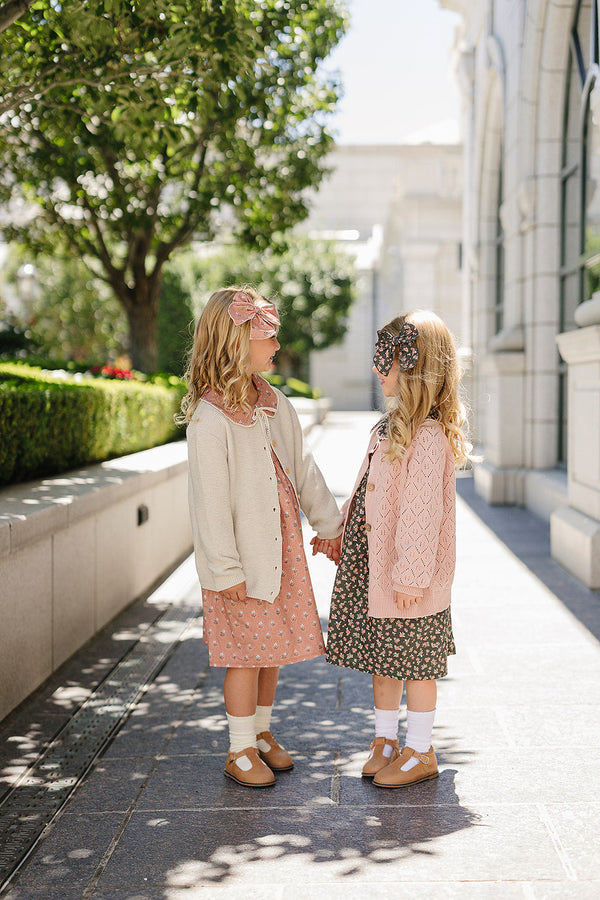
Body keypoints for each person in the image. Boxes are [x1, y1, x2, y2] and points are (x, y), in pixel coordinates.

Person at [181, 287, 343, 788]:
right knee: (243, 656)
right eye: (267, 337)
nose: (276, 346)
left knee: (271, 649)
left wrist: (329, 525)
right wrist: (224, 571)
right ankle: (238, 747)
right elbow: (209, 505)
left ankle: (262, 732)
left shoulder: (275, 404)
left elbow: (304, 469)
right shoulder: (210, 422)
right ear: (236, 342)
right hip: (241, 563)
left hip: (279, 554)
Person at [319, 310, 471, 788]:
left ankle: (421, 749)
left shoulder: (426, 438)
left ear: (411, 366)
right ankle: (385, 739)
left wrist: (409, 578)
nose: (375, 369)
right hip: (375, 566)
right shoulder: (386, 428)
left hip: (409, 574)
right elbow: (365, 489)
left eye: (383, 359)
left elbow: (421, 517)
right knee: (381, 657)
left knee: (414, 662)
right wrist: (340, 529)